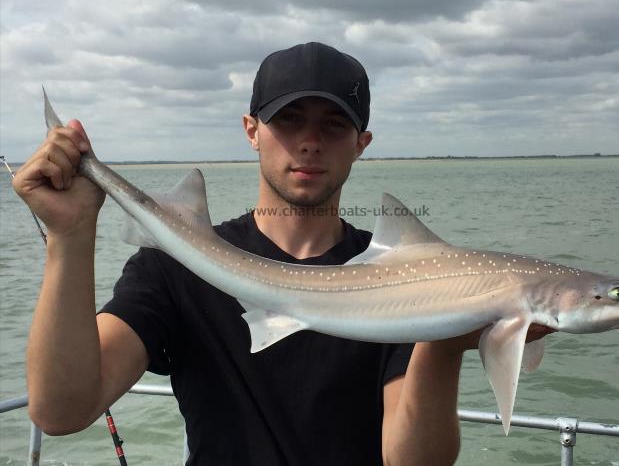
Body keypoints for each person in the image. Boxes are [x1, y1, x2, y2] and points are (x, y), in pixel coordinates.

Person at [14, 42, 550, 465]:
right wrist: (70, 237)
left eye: (333, 125)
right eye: (289, 120)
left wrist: (443, 342)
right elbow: (62, 410)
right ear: (252, 131)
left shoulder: (406, 280)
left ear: (361, 143)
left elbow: (411, 462)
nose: (310, 141)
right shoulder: (175, 267)